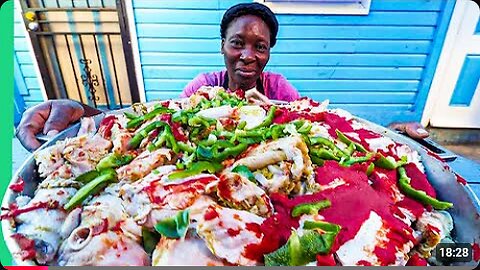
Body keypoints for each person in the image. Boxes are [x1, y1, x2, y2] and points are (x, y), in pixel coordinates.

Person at [15, 3, 428, 152]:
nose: (248, 56)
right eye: (237, 43)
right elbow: (155, 122)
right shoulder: (202, 88)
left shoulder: (279, 91)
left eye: (260, 47)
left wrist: (389, 134)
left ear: (268, 54)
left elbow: (323, 129)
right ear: (222, 46)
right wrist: (87, 111)